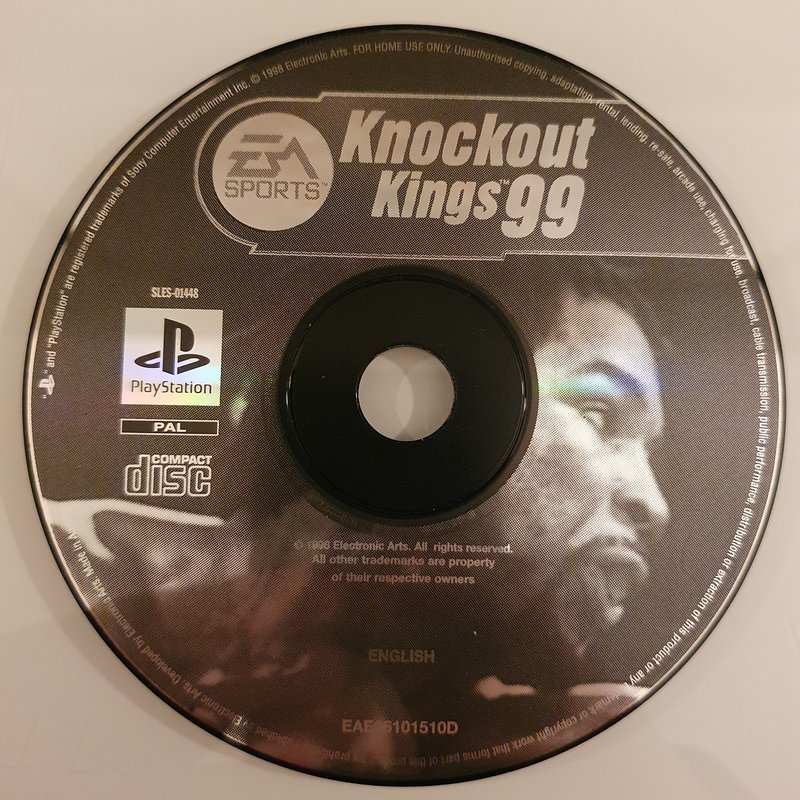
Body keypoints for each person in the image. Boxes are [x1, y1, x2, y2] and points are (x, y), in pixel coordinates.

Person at [44, 259, 670, 780]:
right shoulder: (93, 578)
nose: (653, 503)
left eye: (650, 451)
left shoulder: (531, 733)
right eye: (600, 415)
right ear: (475, 406)